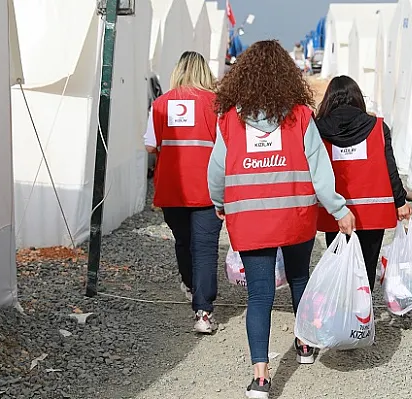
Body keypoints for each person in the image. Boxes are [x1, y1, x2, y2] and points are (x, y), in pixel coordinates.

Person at [207, 40, 355, 398]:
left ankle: (260, 377)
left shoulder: (229, 119)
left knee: (259, 297)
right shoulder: (301, 116)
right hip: (295, 216)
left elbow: (216, 169)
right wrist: (339, 209)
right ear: (287, 76)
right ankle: (304, 344)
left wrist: (218, 202)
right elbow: (320, 170)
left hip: (250, 219)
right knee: (300, 277)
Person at [144, 51, 222, 334]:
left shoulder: (161, 104)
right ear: (204, 73)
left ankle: (190, 285)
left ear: (177, 71)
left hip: (172, 188)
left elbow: (150, 146)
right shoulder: (217, 105)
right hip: (207, 188)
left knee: (183, 242)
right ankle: (203, 312)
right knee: (205, 248)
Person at [315, 75, 412, 289]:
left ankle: (342, 309)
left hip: (336, 210)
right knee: (367, 267)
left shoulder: (319, 129)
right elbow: (390, 169)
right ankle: (362, 316)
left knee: (340, 262)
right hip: (373, 210)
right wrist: (400, 201)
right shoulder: (377, 127)